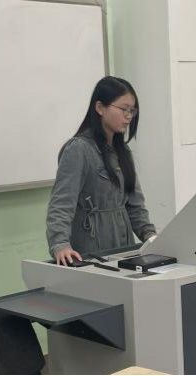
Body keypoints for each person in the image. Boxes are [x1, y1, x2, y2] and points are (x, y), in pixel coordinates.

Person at [46, 76, 156, 266]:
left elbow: (135, 205)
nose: (129, 116)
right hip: (90, 249)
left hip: (124, 249)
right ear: (100, 108)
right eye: (124, 109)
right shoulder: (78, 149)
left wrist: (151, 236)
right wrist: (60, 244)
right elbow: (61, 204)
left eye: (132, 110)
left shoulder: (123, 152)